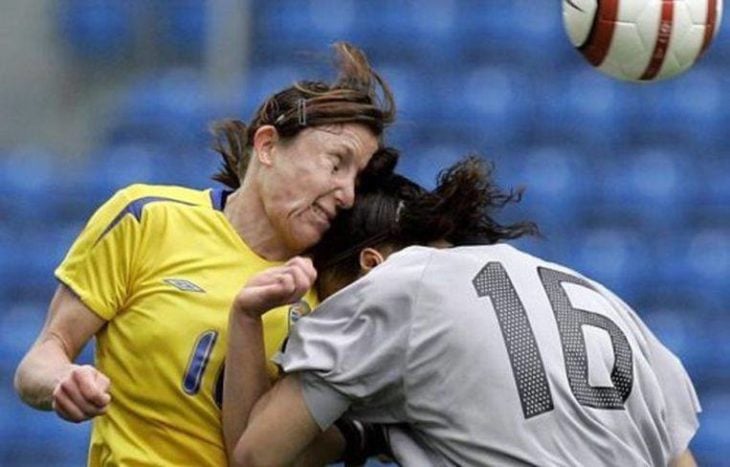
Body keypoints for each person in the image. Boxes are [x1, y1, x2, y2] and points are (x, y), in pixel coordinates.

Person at [14, 42, 396, 466]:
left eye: (358, 178)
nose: (347, 194)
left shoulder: (330, 282)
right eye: (336, 163)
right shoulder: (147, 218)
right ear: (267, 145)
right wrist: (62, 380)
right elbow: (43, 356)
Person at [223, 155, 701, 466]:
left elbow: (254, 457)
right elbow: (680, 458)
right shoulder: (600, 297)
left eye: (324, 295)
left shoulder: (394, 284)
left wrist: (246, 319)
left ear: (370, 264)